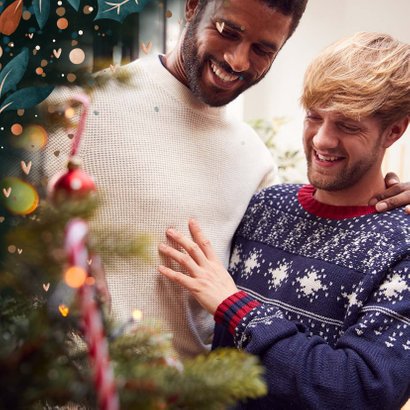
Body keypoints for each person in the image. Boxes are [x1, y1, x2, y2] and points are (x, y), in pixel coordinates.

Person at [41, 0, 410, 359]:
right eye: (227, 30)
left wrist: (390, 212)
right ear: (192, 6)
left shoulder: (255, 162)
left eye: (263, 49)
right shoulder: (72, 109)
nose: (237, 60)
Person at [157, 31, 410, 409]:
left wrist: (235, 306)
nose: (322, 140)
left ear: (394, 131)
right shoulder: (265, 206)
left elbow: (358, 390)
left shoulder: (401, 249)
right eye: (314, 117)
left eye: (348, 125)